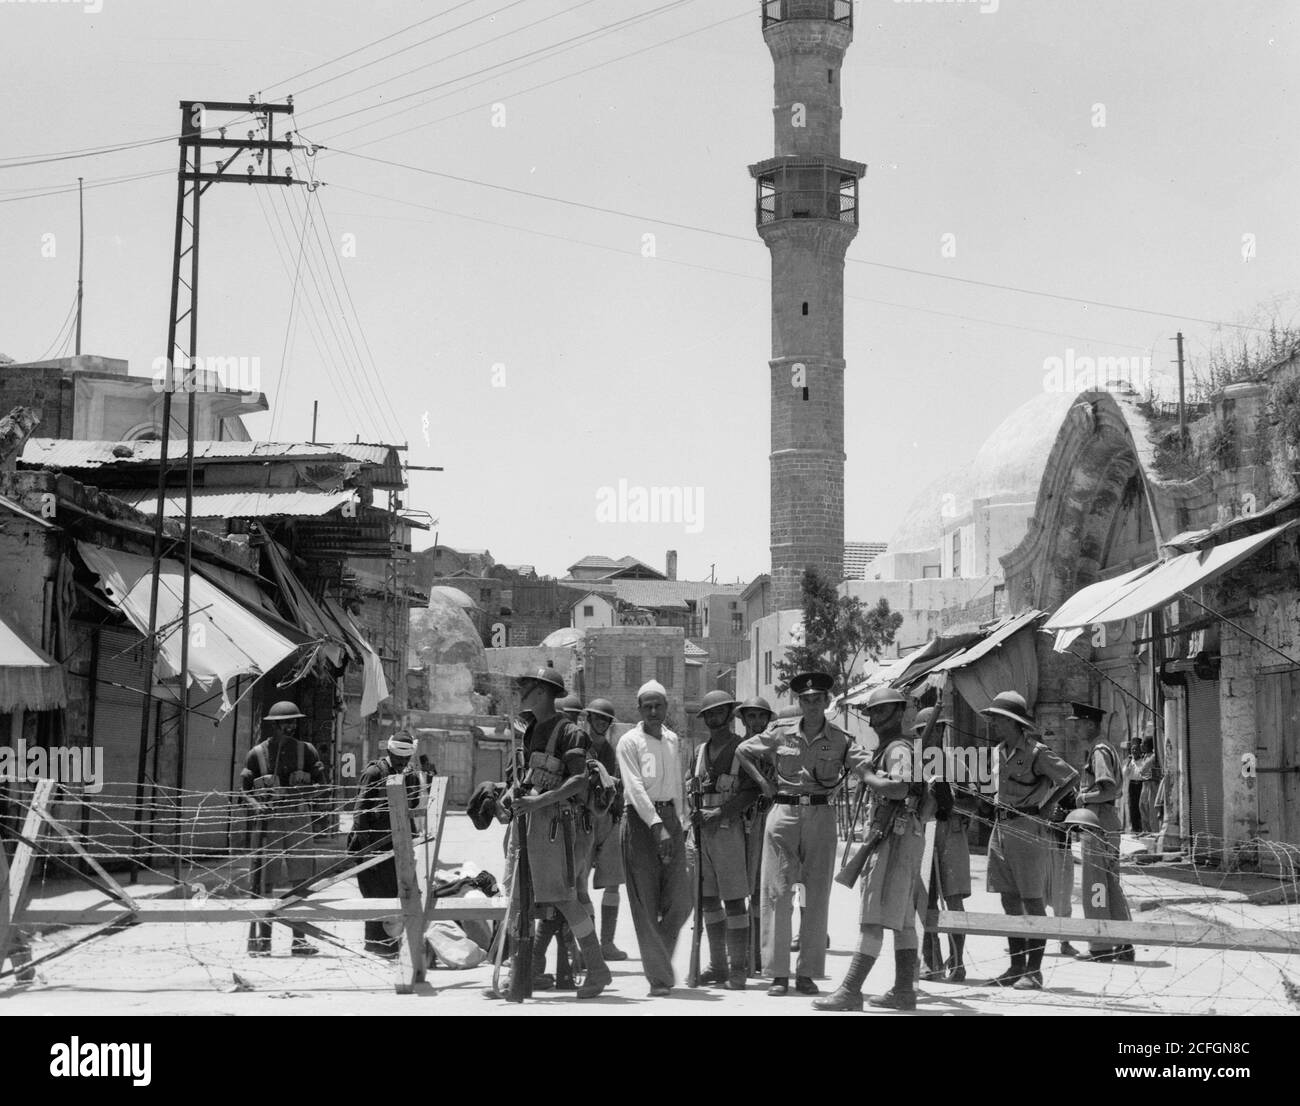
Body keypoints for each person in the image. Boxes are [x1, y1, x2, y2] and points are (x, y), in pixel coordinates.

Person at [737, 671, 870, 998]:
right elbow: (743, 751)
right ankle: (778, 974)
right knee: (777, 894)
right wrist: (764, 783)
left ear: (827, 702)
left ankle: (808, 973)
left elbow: (865, 765)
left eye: (817, 699)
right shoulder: (780, 734)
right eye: (805, 700)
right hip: (783, 814)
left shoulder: (840, 739)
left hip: (821, 817)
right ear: (799, 703)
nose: (811, 705)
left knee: (816, 897)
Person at [814, 685, 929, 1012]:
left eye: (881, 711)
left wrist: (865, 774)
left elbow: (899, 788)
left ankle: (851, 990)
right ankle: (904, 990)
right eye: (872, 712)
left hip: (893, 834)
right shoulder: (896, 747)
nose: (874, 718)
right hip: (900, 833)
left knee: (874, 915)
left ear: (897, 712)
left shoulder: (897, 749)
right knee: (903, 918)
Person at [499, 667, 611, 1000]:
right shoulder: (530, 729)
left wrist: (539, 802)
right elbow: (527, 777)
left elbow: (578, 781)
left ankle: (597, 968)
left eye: (527, 685)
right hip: (527, 823)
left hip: (554, 826)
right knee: (518, 897)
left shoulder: (570, 732)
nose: (521, 689)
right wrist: (511, 797)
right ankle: (519, 974)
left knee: (564, 899)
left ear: (544, 691)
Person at [980, 691, 1078, 991]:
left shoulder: (1037, 752)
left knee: (1033, 901)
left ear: (1012, 722)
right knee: (1008, 899)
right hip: (1000, 828)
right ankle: (1016, 966)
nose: (993, 724)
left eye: (997, 719)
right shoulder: (998, 752)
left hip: (1027, 828)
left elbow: (1071, 777)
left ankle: (1034, 971)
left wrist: (1050, 804)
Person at [617, 679, 692, 996]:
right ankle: (659, 978)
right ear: (639, 708)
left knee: (681, 900)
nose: (653, 711)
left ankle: (657, 959)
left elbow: (677, 783)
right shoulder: (628, 742)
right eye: (647, 706)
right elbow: (633, 788)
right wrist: (655, 824)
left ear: (666, 707)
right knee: (645, 902)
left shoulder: (673, 740)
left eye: (658, 705)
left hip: (672, 820)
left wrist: (679, 822)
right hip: (640, 822)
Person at [241, 700, 327, 957]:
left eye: (293, 722)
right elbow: (243, 791)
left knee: (300, 882)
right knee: (265, 881)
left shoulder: (307, 751)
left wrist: (308, 792)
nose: (290, 727)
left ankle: (299, 941)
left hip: (298, 820)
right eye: (284, 723)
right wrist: (256, 805)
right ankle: (263, 940)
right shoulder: (256, 754)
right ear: (274, 726)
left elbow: (322, 785)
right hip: (268, 822)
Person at [689, 690, 761, 990]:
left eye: (720, 712)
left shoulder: (743, 748)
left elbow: (751, 790)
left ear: (730, 714)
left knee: (733, 900)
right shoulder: (698, 752)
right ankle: (716, 966)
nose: (714, 718)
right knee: (707, 901)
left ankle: (737, 968)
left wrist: (720, 812)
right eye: (709, 713)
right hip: (702, 832)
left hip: (729, 828)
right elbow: (691, 787)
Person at [1069, 701, 1134, 963]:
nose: (1075, 729)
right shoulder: (1105, 748)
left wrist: (1082, 797)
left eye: (1078, 724)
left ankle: (1100, 945)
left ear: (1089, 724)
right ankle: (1124, 941)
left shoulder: (1098, 751)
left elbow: (1107, 789)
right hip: (1107, 821)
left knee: (1095, 884)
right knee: (1109, 883)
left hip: (1098, 821)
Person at [349, 733, 423, 957]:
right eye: (398, 758)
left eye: (405, 759)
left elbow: (412, 807)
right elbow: (360, 813)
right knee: (374, 896)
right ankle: (374, 945)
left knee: (395, 895)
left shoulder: (410, 777)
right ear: (389, 752)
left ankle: (390, 946)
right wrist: (367, 851)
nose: (401, 763)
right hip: (370, 845)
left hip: (397, 846)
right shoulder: (374, 773)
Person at [915, 707, 974, 983]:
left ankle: (958, 962)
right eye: (926, 729)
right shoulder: (911, 764)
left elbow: (975, 805)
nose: (933, 733)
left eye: (938, 728)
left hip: (950, 832)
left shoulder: (957, 763)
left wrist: (949, 802)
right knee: (924, 900)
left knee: (953, 900)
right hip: (922, 833)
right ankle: (931, 963)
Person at [581, 697, 629, 962]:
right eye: (597, 718)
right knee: (580, 884)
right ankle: (587, 947)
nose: (601, 723)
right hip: (584, 820)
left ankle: (607, 943)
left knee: (613, 883)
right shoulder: (580, 747)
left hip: (608, 820)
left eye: (605, 720)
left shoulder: (613, 751)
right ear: (589, 720)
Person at [737, 695, 776, 974]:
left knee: (766, 889)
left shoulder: (775, 749)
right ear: (743, 720)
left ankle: (762, 953)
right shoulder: (738, 750)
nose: (757, 722)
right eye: (751, 717)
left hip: (771, 820)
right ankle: (744, 954)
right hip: (741, 821)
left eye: (761, 717)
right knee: (744, 887)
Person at [1042, 728, 1080, 958]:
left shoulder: (1066, 788)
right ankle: (1031, 940)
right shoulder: (1031, 783)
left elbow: (1076, 817)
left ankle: (1064, 941)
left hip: (1059, 845)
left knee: (1062, 897)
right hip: (1036, 845)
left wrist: (1062, 816)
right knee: (1033, 895)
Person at [1136, 733, 1160, 837]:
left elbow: (1144, 770)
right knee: (1143, 807)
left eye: (1143, 743)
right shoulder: (1145, 756)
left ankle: (1154, 832)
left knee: (1151, 810)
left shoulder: (1154, 757)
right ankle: (1146, 830)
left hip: (1152, 784)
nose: (1141, 745)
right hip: (1144, 784)